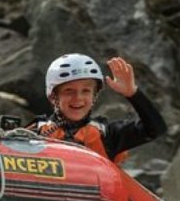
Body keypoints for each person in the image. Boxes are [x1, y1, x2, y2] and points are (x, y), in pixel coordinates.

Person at [27, 53, 167, 163]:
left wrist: (132, 93)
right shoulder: (35, 132)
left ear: (94, 96)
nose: (78, 98)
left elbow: (156, 129)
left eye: (86, 91)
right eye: (69, 91)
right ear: (53, 96)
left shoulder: (109, 135)